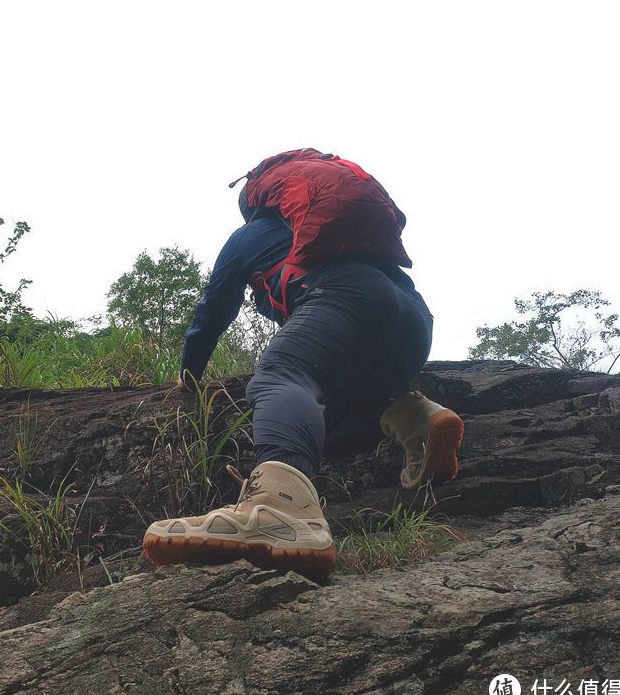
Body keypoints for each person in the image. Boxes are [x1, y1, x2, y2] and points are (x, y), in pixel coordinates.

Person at [142, 149, 464, 582]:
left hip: (344, 298)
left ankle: (280, 511)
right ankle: (413, 417)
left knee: (282, 377)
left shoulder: (248, 238)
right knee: (322, 424)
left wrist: (189, 375)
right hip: (412, 323)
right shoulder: (340, 237)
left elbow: (213, 311)